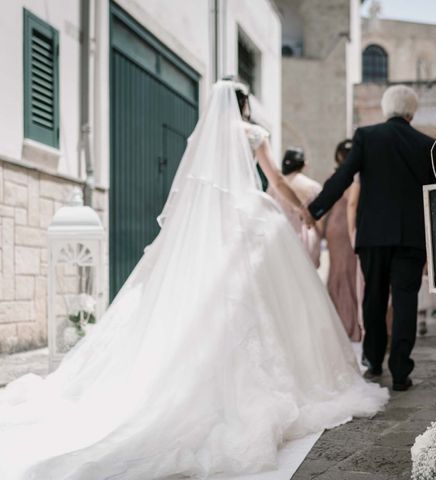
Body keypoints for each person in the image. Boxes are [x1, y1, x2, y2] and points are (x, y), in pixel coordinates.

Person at [0, 80, 388, 479]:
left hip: (216, 223)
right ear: (244, 106)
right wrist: (305, 211)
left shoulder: (203, 140)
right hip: (249, 218)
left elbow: (190, 188)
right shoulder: (253, 134)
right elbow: (275, 179)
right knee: (264, 299)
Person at [308, 85, 436, 392]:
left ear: (386, 109)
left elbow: (343, 177)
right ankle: (400, 371)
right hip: (412, 237)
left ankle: (373, 359)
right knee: (406, 301)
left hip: (374, 235)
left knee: (374, 297)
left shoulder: (366, 137)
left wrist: (316, 209)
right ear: (412, 112)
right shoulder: (430, 145)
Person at [322, 139, 362, 341]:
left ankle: (340, 322)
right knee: (351, 273)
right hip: (349, 227)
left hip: (334, 228)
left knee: (338, 273)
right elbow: (353, 203)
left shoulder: (334, 177)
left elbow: (325, 207)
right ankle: (352, 323)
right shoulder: (357, 178)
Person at [271, 147, 322, 267]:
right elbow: (319, 219)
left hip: (280, 234)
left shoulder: (273, 187)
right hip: (306, 234)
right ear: (304, 164)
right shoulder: (313, 186)